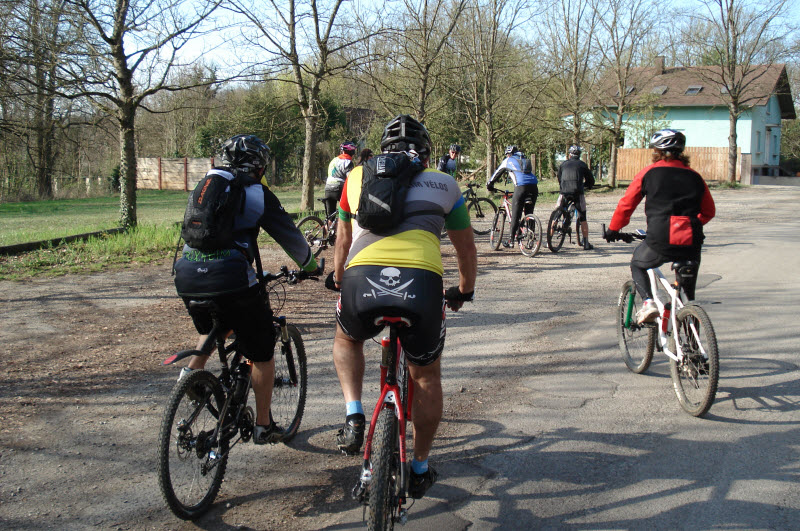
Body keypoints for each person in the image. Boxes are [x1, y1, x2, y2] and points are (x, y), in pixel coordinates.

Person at [328, 115, 477, 499]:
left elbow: (343, 241)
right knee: (425, 376)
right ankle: (421, 466)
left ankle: (354, 412)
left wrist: (339, 279)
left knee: (347, 339)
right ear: (426, 154)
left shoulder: (356, 177)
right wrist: (463, 290)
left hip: (362, 280)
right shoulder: (446, 183)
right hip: (421, 284)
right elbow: (466, 248)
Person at [174, 134, 319, 445]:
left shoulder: (206, 185)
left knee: (217, 326)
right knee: (262, 350)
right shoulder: (256, 192)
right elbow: (289, 236)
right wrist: (312, 267)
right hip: (230, 277)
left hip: (186, 274)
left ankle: (188, 377)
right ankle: (263, 425)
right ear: (259, 166)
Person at [605, 129, 715, 324]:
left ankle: (648, 303)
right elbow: (708, 211)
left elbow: (627, 204)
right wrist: (688, 224)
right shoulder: (695, 176)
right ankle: (692, 346)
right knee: (688, 295)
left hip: (660, 236)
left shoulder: (649, 173)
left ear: (656, 151)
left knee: (638, 263)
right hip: (691, 239)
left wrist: (614, 229)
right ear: (681, 152)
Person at [486, 145, 539, 247]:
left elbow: (497, 173)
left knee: (516, 214)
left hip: (521, 187)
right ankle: (531, 239)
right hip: (534, 186)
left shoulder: (508, 160)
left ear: (508, 154)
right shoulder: (523, 160)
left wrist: (489, 184)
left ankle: (511, 241)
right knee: (529, 212)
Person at [556, 145, 596, 250]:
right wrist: (587, 186)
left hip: (564, 192)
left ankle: (549, 240)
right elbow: (591, 180)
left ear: (569, 154)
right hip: (578, 193)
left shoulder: (563, 164)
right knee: (583, 217)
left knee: (557, 212)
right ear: (579, 155)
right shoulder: (582, 165)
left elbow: (559, 177)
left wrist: (562, 186)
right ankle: (586, 243)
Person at [324, 142, 357, 218]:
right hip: (338, 188)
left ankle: (328, 228)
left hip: (328, 189)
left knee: (330, 217)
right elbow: (350, 179)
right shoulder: (348, 162)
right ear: (351, 152)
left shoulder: (334, 160)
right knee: (348, 209)